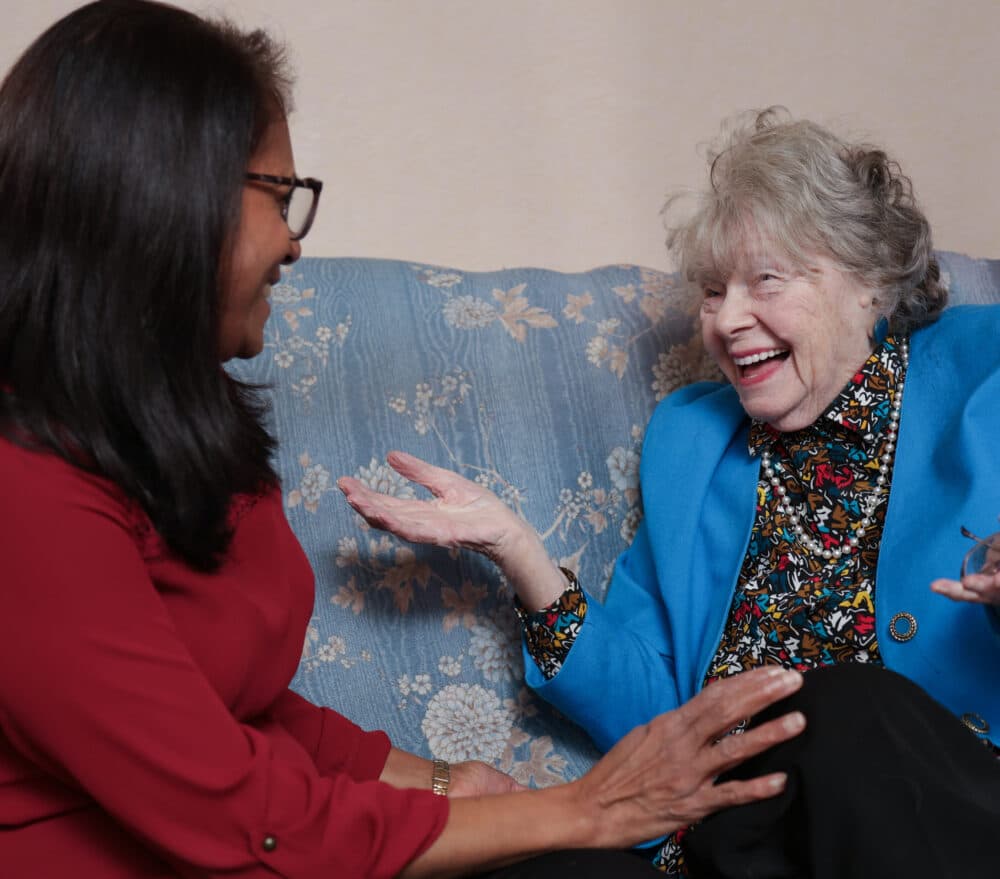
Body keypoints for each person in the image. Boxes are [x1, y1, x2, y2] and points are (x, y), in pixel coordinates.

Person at [0, 4, 812, 877]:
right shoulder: (25, 496)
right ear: (162, 204)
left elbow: (243, 708)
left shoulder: (181, 424)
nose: (291, 241)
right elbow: (245, 822)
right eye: (279, 195)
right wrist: (581, 807)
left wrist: (436, 778)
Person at [339, 108, 1000, 877]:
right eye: (713, 290)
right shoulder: (691, 438)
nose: (727, 319)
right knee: (545, 869)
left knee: (842, 708)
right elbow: (655, 719)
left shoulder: (984, 374)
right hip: (734, 837)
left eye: (765, 281)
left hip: (932, 812)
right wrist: (519, 553)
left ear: (869, 285)